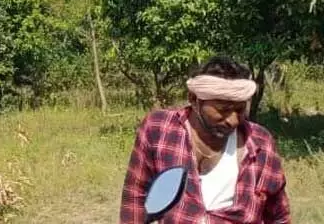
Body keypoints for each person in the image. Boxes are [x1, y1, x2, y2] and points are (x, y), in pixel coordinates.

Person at [119, 56, 290, 223]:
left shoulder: (260, 143)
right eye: (223, 110)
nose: (233, 120)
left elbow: (278, 215)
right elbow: (136, 194)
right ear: (194, 100)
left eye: (239, 110)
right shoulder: (160, 129)